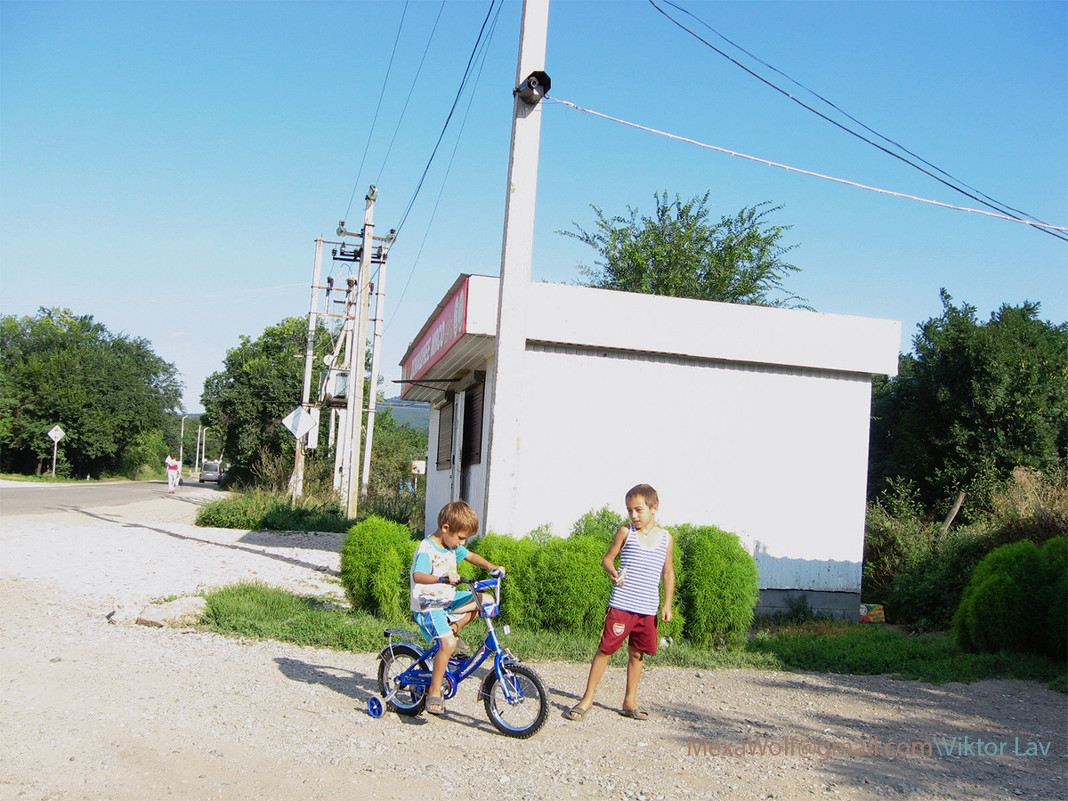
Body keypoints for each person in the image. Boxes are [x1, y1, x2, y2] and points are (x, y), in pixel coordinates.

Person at [566, 483, 674, 721]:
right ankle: (587, 699)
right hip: (622, 604)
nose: (633, 516)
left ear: (654, 508)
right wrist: (612, 571)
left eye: (638, 510)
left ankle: (629, 701)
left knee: (637, 654)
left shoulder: (666, 538)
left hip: (647, 609)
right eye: (629, 511)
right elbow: (608, 558)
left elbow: (668, 572)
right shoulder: (626, 533)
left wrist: (667, 604)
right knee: (605, 650)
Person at [410, 500, 504, 716]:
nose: (462, 544)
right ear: (446, 528)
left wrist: (492, 567)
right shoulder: (427, 549)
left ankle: (453, 629)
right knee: (448, 645)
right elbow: (418, 575)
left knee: (486, 600)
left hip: (448, 599)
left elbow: (470, 556)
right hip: (429, 605)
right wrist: (442, 578)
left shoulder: (452, 545)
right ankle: (434, 691)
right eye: (461, 538)